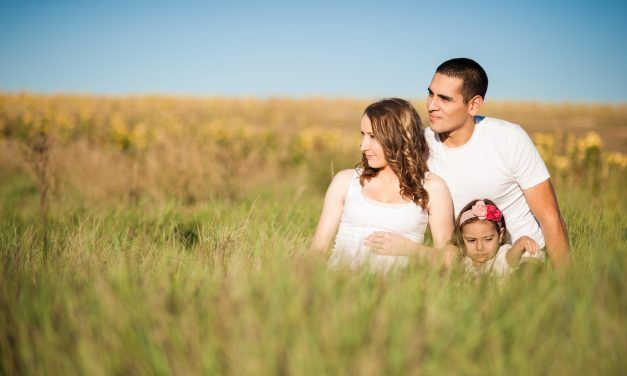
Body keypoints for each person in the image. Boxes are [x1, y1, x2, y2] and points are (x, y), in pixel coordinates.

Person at [424, 58, 570, 268]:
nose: (431, 105)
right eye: (431, 93)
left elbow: (551, 218)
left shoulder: (509, 138)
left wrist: (566, 286)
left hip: (523, 260)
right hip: (465, 263)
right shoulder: (421, 145)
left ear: (473, 105)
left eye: (445, 99)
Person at [311, 98, 455, 272]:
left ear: (399, 137)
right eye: (363, 135)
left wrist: (410, 249)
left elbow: (451, 259)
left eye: (372, 136)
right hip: (340, 288)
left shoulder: (432, 188)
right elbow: (317, 252)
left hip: (397, 294)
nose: (363, 146)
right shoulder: (346, 182)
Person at [453, 199, 540, 279]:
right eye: (471, 240)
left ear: (501, 235)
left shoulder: (500, 257)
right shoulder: (463, 261)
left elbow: (511, 257)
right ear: (461, 237)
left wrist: (520, 244)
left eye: (488, 239)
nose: (480, 247)